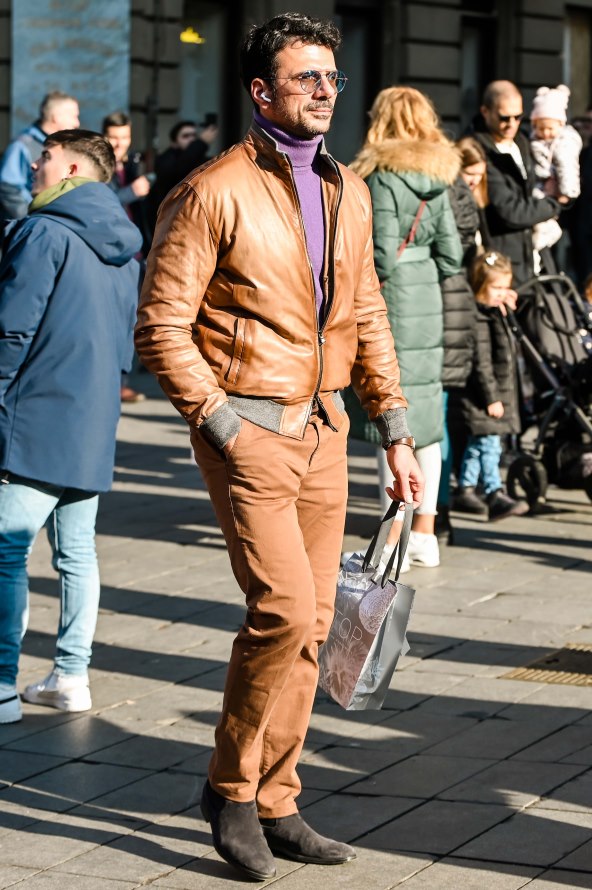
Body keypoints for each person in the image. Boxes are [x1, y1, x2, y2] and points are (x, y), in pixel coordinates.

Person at [135, 12, 423, 882]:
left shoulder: (349, 188)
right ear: (260, 91)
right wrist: (222, 423)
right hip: (250, 430)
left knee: (318, 625)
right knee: (285, 613)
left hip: (328, 429)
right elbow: (160, 326)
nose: (325, 92)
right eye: (305, 79)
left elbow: (366, 313)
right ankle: (230, 789)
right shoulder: (212, 189)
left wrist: (399, 432)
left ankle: (279, 796)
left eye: (331, 78)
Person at [0, 130, 141, 724]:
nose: (35, 163)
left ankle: (3, 686)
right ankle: (71, 675)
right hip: (92, 413)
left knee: (7, 550)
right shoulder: (124, 244)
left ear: (75, 167)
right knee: (76, 552)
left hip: (37, 412)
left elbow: (12, 328)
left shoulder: (43, 229)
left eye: (47, 157)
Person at [348, 86, 462, 570]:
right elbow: (453, 254)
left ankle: (391, 538)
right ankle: (425, 534)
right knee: (428, 425)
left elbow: (380, 258)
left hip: (392, 305)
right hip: (427, 300)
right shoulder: (438, 176)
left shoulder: (380, 177)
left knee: (390, 420)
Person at [454, 251, 529, 521]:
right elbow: (481, 364)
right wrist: (491, 398)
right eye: (496, 288)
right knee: (489, 446)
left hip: (495, 394)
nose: (502, 293)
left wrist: (506, 309)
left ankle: (465, 487)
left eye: (505, 287)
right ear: (480, 286)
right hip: (484, 398)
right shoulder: (479, 319)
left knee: (479, 445)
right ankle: (494, 491)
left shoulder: (493, 312)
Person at [437, 138, 486, 542]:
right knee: (441, 414)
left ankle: (431, 513)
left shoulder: (434, 185)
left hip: (434, 305)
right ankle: (439, 511)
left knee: (427, 417)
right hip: (458, 304)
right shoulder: (459, 189)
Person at [471, 80, 561, 284]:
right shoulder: (478, 150)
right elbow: (510, 212)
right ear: (485, 111)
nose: (511, 123)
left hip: (533, 257)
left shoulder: (523, 141)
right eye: (504, 117)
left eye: (518, 116)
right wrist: (555, 203)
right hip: (501, 261)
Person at [102, 110, 150, 403]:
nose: (119, 143)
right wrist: (130, 193)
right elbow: (101, 206)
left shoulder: (134, 164)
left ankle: (122, 381)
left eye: (124, 137)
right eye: (113, 137)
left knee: (132, 320)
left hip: (137, 253)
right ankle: (112, 382)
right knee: (113, 320)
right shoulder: (99, 168)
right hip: (113, 254)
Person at [0, 91, 80, 219]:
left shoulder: (60, 144)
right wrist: (30, 219)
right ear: (56, 117)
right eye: (74, 116)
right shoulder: (22, 145)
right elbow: (8, 189)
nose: (77, 123)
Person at [529, 85, 581, 253]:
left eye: (550, 128)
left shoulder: (564, 144)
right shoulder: (534, 141)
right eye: (540, 128)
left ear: (560, 124)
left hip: (554, 189)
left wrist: (566, 193)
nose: (545, 133)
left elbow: (568, 170)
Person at [147, 117, 219, 231]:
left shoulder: (198, 158)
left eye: (194, 136)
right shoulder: (166, 160)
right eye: (185, 136)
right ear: (174, 143)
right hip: (170, 223)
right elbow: (178, 171)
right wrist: (201, 143)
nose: (191, 139)